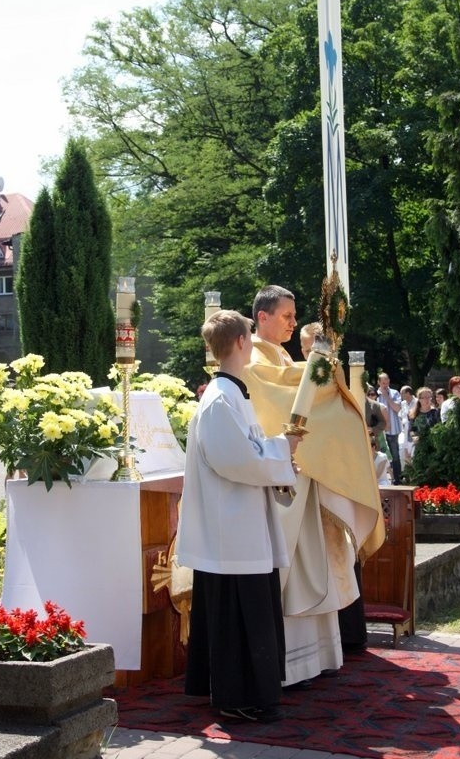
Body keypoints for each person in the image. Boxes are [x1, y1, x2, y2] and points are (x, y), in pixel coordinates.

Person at [243, 286, 385, 683]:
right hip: (282, 482)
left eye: (293, 315)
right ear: (263, 316)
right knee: (296, 571)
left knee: (315, 564)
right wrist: (321, 364)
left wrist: (321, 365)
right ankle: (291, 663)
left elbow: (299, 382)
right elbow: (280, 397)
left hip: (301, 478)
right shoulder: (253, 358)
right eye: (286, 316)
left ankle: (317, 657)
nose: (292, 322)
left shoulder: (282, 355)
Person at [176, 309, 302, 723]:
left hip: (242, 524)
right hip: (230, 531)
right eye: (250, 336)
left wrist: (280, 451)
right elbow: (237, 460)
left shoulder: (233, 394)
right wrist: (282, 449)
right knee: (236, 614)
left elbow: (249, 449)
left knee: (247, 609)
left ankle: (250, 690)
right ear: (241, 342)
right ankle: (236, 696)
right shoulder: (218, 400)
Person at [377, 373, 403, 484]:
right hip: (380, 432)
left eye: (387, 382)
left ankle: (398, 479)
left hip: (393, 430)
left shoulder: (395, 393)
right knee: (382, 455)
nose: (385, 385)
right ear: (379, 382)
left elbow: (397, 408)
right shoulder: (375, 394)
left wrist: (387, 396)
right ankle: (384, 479)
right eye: (383, 382)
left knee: (395, 455)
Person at [408, 387, 440, 452]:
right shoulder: (413, 413)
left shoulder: (436, 412)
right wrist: (414, 437)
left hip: (434, 446)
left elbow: (439, 428)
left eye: (429, 397)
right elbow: (411, 429)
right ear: (419, 399)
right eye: (424, 397)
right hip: (420, 446)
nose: (427, 400)